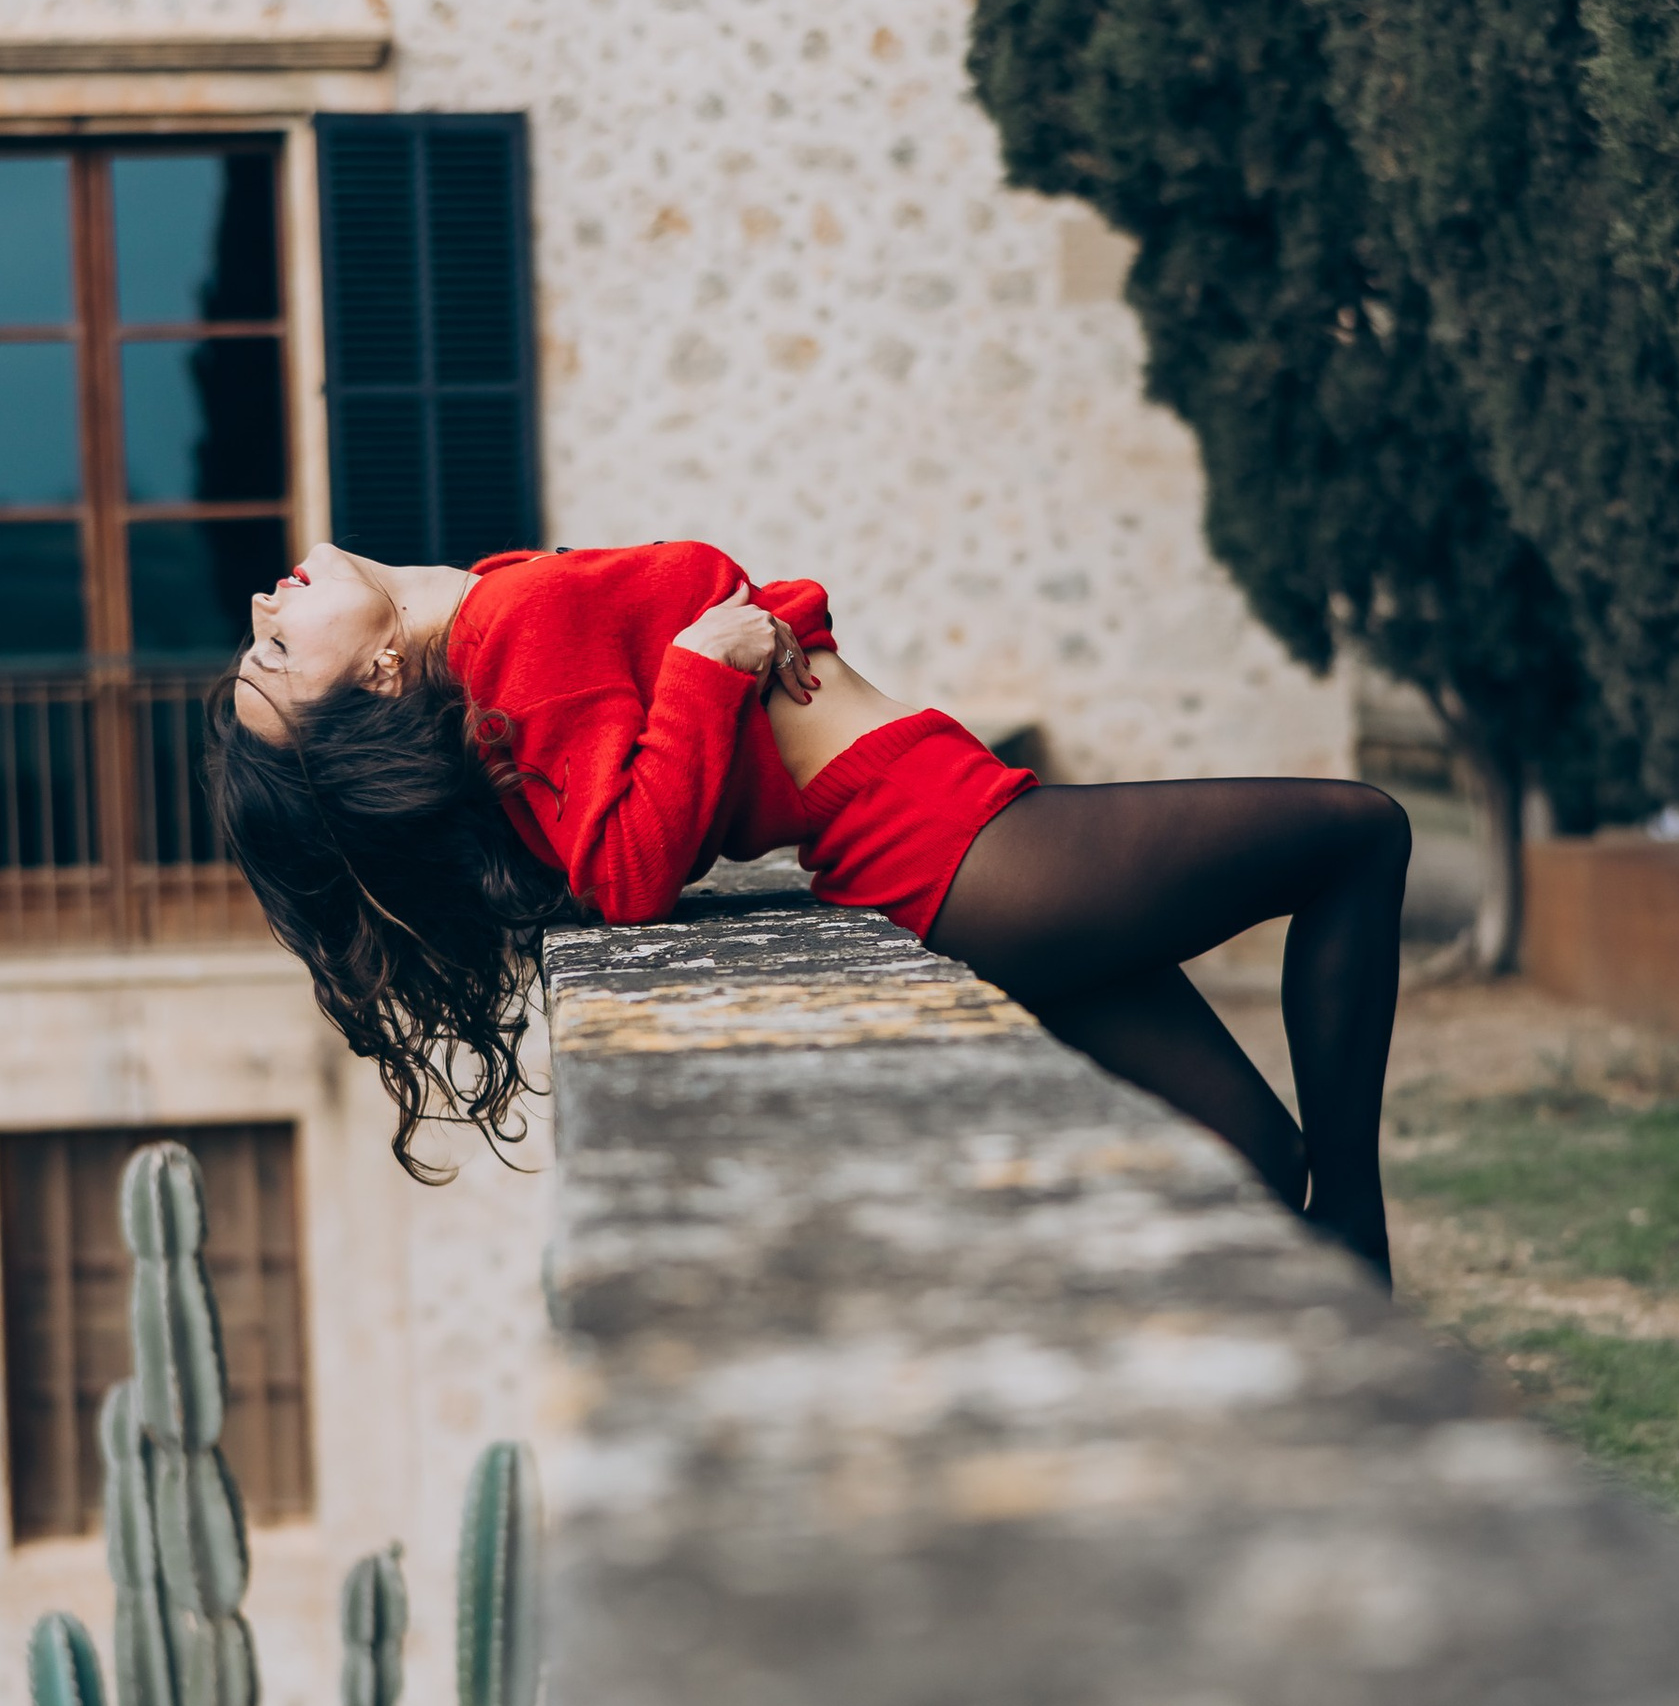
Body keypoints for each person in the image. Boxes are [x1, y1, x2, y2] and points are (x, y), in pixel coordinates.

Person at [209, 539, 1408, 1273]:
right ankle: (1360, 1229)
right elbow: (625, 877)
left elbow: (617, 785)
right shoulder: (507, 633)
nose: (264, 612)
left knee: (1253, 1151)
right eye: (275, 655)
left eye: (260, 636)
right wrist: (704, 662)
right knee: (1359, 834)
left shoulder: (493, 608)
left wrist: (726, 642)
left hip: (945, 824)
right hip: (948, 844)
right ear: (370, 678)